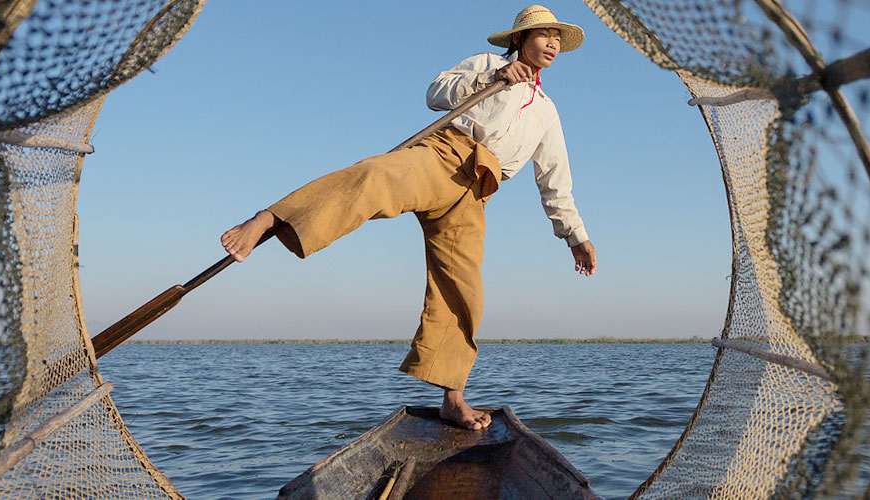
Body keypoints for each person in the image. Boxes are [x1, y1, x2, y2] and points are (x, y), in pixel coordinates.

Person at [218, 5, 595, 431]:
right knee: (373, 178)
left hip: (476, 193)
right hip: (442, 157)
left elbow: (555, 180)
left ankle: (453, 398)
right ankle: (270, 217)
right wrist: (492, 79)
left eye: (557, 39)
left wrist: (574, 236)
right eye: (543, 35)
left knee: (463, 291)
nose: (552, 44)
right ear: (519, 40)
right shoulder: (487, 65)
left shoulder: (547, 110)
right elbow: (435, 93)